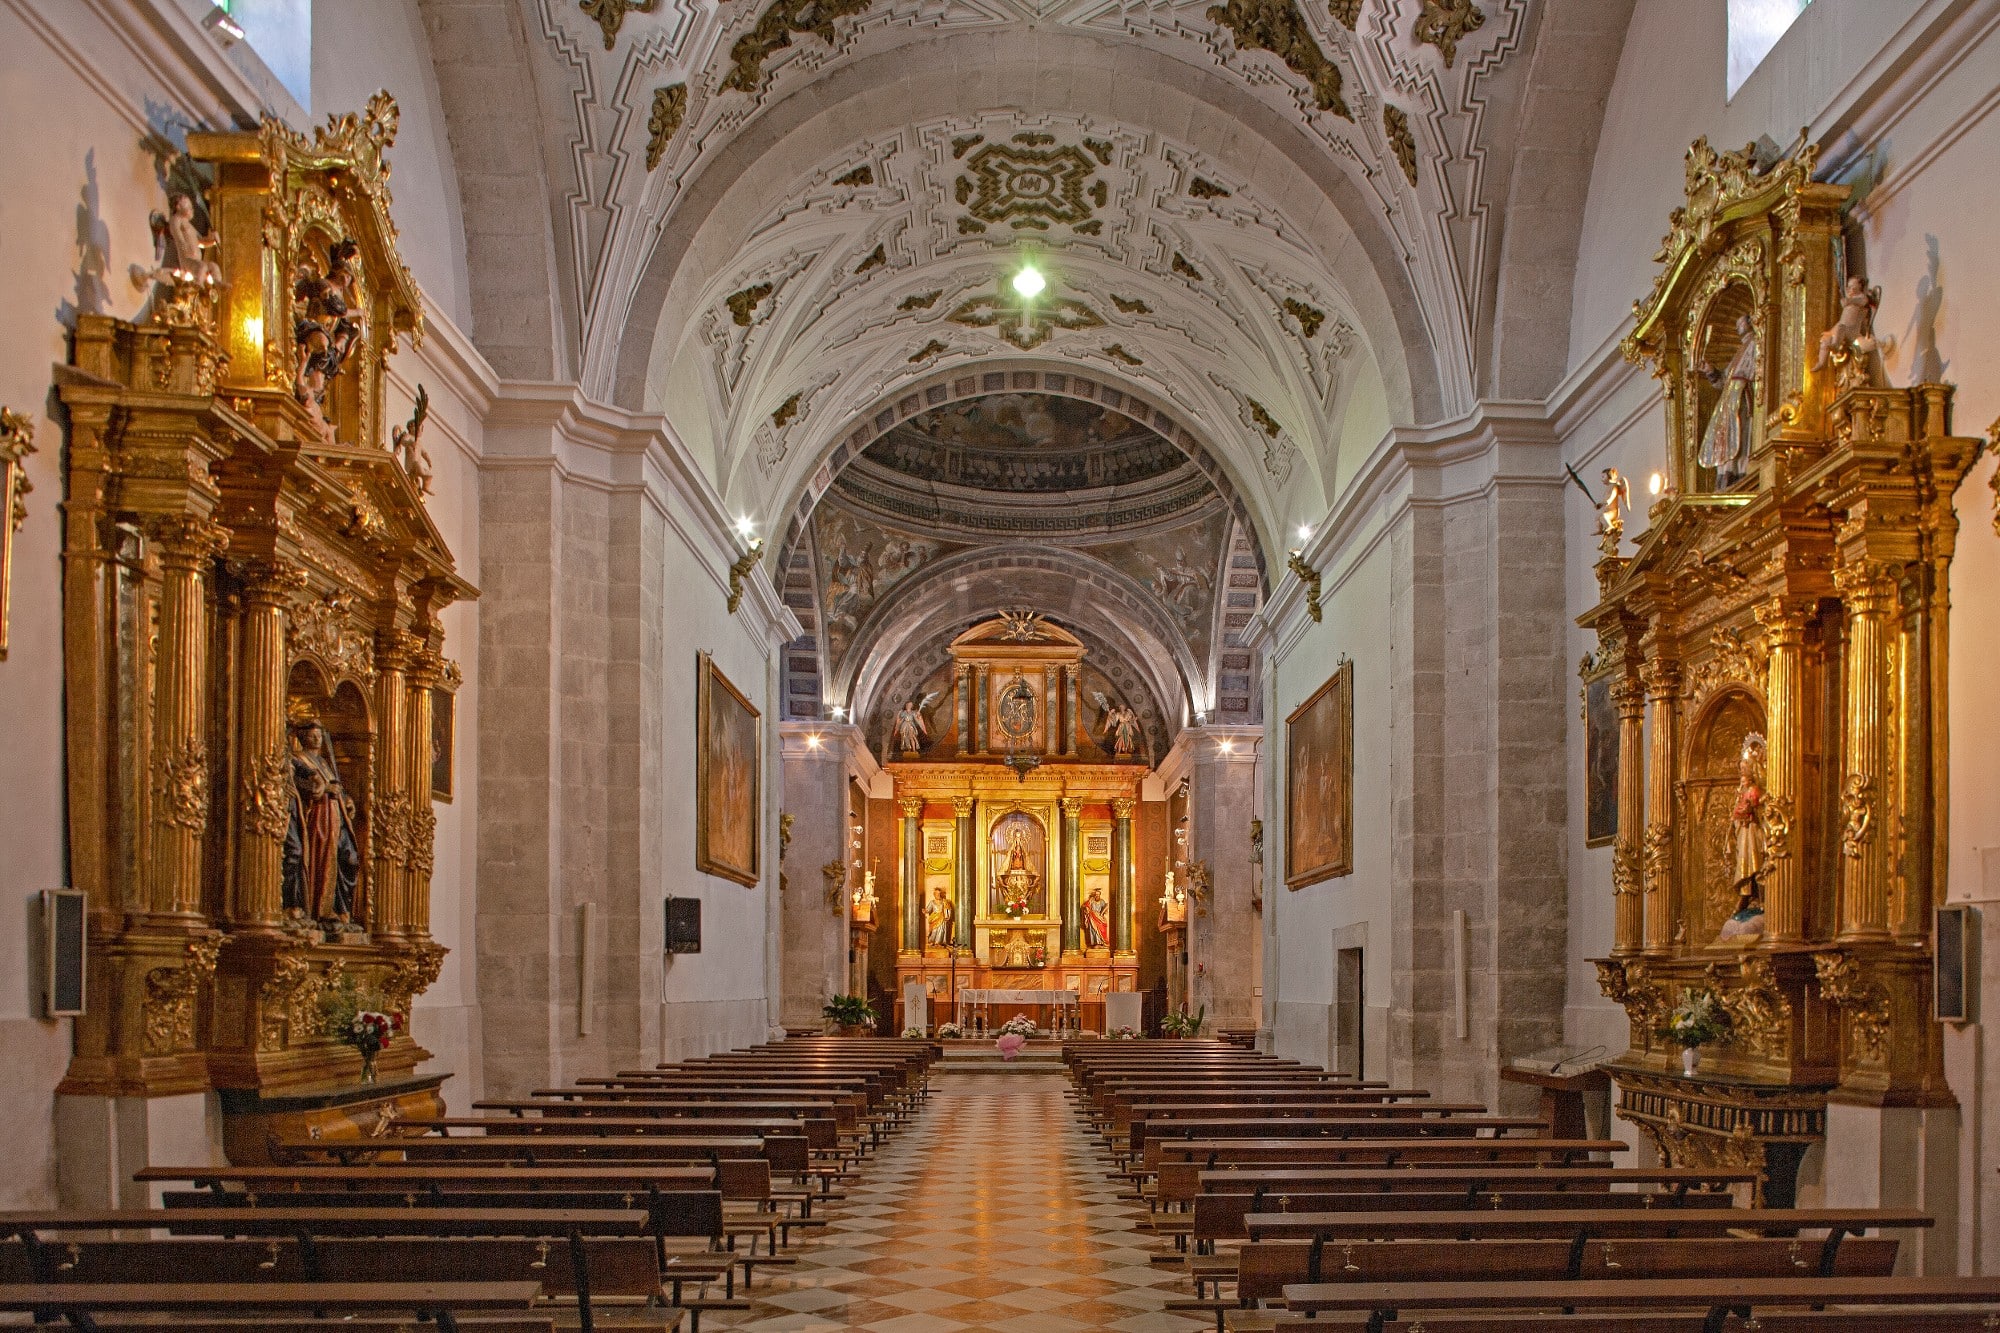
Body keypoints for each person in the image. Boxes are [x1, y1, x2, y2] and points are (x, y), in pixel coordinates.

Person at [283, 718, 361, 927]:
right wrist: (325, 789)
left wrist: (347, 800)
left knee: (349, 858)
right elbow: (300, 786)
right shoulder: (297, 759)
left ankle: (338, 908)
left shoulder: (324, 763)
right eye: (312, 735)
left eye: (319, 735)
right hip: (318, 819)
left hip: (336, 817)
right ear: (302, 737)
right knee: (317, 860)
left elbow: (337, 787)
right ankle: (319, 909)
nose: (317, 739)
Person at [1718, 732, 1768, 946]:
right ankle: (1746, 897)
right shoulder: (1742, 790)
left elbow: (1760, 809)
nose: (1742, 770)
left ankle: (1764, 900)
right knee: (1744, 867)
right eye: (1741, 767)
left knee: (1757, 867)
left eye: (1745, 767)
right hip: (1743, 835)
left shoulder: (1755, 790)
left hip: (1753, 834)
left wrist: (1751, 809)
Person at [1699, 314, 1758, 489]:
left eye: (1741, 322)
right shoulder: (1740, 350)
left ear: (1750, 323)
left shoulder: (1756, 342)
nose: (1738, 326)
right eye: (1737, 323)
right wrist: (1711, 371)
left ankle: (1740, 470)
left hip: (1742, 397)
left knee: (1741, 434)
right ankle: (1727, 472)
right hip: (1729, 400)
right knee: (1725, 437)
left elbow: (1756, 369)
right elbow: (1725, 379)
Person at [1081, 885, 1111, 949]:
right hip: (1092, 917)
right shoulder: (1091, 900)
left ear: (1100, 895)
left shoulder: (1102, 901)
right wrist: (1087, 908)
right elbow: (1085, 905)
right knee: (1093, 930)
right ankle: (1095, 943)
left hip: (1099, 917)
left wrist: (1102, 913)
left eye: (1098, 895)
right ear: (1094, 895)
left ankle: (1101, 942)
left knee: (1102, 928)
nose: (1097, 896)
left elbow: (1105, 908)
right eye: (1096, 895)